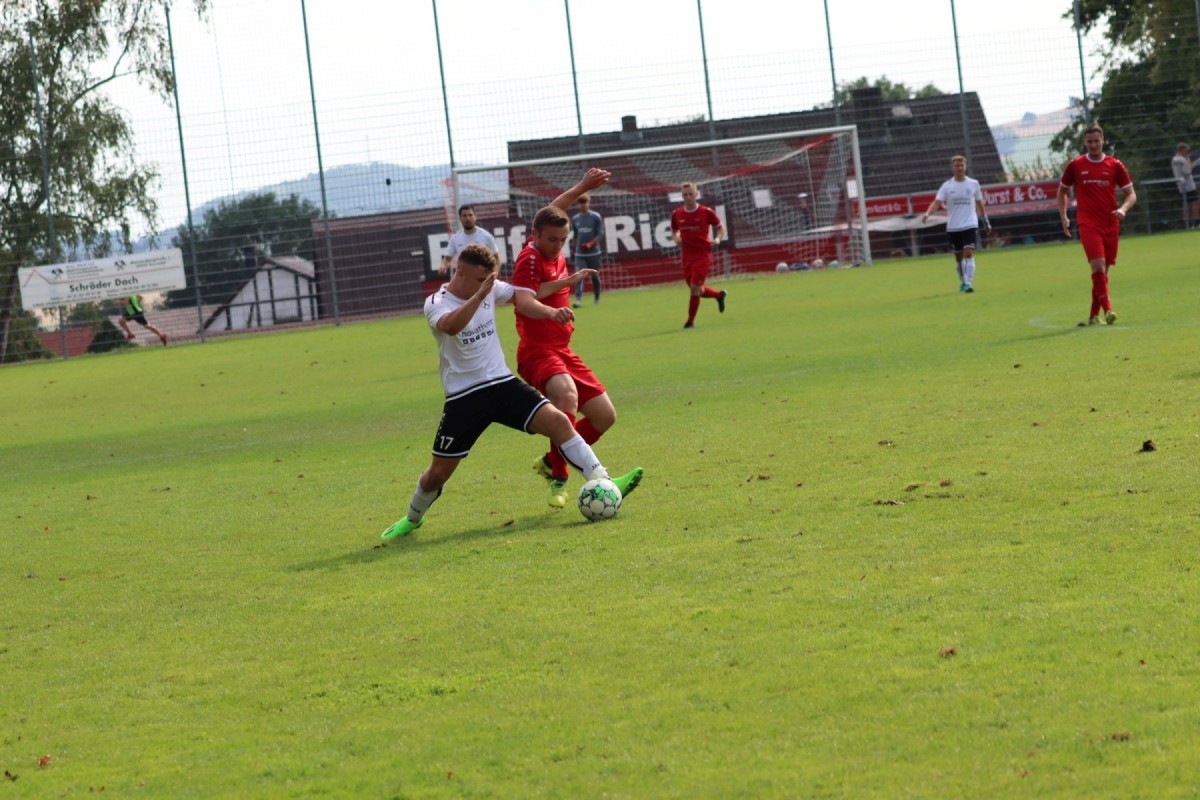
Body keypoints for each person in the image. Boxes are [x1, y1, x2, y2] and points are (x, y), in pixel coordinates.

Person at [380, 244, 643, 540]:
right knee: (436, 475)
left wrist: (565, 284)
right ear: (460, 272)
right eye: (480, 280)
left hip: (502, 384)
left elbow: (525, 294)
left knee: (558, 421)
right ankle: (412, 518)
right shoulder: (436, 301)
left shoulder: (489, 287)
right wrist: (482, 295)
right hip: (464, 398)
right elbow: (451, 326)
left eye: (488, 281)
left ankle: (605, 481)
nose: (486, 285)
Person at [513, 168, 642, 509]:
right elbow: (526, 300)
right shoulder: (528, 258)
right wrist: (556, 305)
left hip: (562, 349)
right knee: (565, 397)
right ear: (535, 236)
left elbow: (557, 207)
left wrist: (584, 185)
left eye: (562, 240)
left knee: (604, 416)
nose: (557, 246)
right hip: (537, 351)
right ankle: (561, 477)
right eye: (552, 240)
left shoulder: (548, 230)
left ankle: (549, 460)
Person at [1056, 124, 1137, 327]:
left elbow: (1131, 194)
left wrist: (1123, 209)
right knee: (1098, 266)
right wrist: (1064, 216)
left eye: (1096, 141)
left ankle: (1093, 315)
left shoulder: (1115, 165)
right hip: (1087, 223)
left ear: (1103, 140)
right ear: (1085, 142)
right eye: (1089, 141)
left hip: (1111, 223)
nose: (1093, 145)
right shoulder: (1075, 165)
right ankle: (1108, 310)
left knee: (1103, 273)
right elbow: (1062, 191)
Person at [921, 155, 990, 293]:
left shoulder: (974, 184)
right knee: (959, 257)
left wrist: (986, 221)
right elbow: (937, 202)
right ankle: (963, 282)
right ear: (952, 168)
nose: (959, 168)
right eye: (957, 166)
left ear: (965, 167)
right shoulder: (947, 186)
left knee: (969, 252)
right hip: (953, 226)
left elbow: (979, 203)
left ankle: (969, 283)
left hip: (970, 223)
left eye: (962, 165)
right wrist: (928, 213)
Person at [670, 182, 727, 328]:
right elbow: (674, 230)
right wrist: (676, 238)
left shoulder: (706, 212)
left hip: (702, 255)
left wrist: (717, 239)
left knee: (695, 287)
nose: (688, 197)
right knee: (698, 290)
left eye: (690, 194)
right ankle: (719, 295)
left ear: (696, 194)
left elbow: (720, 228)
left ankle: (690, 322)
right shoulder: (677, 214)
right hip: (686, 257)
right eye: (685, 195)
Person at [440, 205, 500, 276]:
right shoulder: (455, 239)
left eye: (470, 215)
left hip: (482, 278)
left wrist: (494, 274)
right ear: (460, 219)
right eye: (464, 216)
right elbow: (447, 259)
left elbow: (497, 258)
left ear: (475, 217)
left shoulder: (486, 236)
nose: (468, 218)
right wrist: (443, 266)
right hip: (464, 279)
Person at [570, 194, 605, 308]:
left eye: (585, 202)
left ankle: (596, 299)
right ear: (578, 204)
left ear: (588, 203)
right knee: (579, 275)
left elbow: (600, 233)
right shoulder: (575, 219)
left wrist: (591, 243)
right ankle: (578, 300)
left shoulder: (595, 217)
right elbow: (575, 235)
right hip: (580, 253)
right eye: (581, 202)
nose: (583, 205)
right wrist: (573, 249)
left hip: (594, 252)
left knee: (594, 276)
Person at [1171, 143, 1197, 228]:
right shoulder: (1182, 160)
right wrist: (1190, 165)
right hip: (1189, 185)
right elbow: (1187, 172)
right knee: (1194, 203)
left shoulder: (1174, 160)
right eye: (1186, 151)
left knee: (1185, 204)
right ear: (1182, 150)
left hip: (1181, 186)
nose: (1187, 153)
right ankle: (1196, 223)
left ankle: (1186, 224)